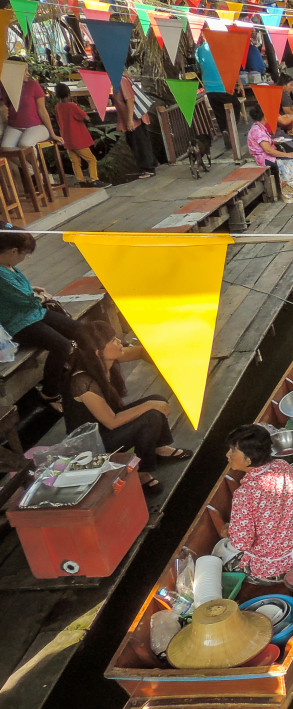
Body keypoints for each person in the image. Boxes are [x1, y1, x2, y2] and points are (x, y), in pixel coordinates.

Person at [62, 320, 193, 496]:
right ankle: (140, 471)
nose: (119, 342)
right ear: (98, 352)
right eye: (113, 340)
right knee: (152, 414)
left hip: (107, 427)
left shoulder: (105, 358)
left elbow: (140, 351)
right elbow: (112, 422)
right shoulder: (83, 382)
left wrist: (174, 363)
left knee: (158, 399)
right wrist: (149, 405)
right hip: (96, 443)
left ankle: (159, 448)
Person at [224, 424, 293, 581]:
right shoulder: (283, 466)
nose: (228, 455)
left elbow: (241, 543)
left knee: (225, 563)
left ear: (248, 460)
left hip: (278, 568)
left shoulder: (244, 495)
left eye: (232, 451)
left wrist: (229, 531)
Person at [0, 226, 80, 411]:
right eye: (24, 254)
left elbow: (23, 294)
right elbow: (27, 301)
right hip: (18, 323)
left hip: (31, 314)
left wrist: (33, 291)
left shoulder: (8, 265)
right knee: (61, 345)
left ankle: (81, 368)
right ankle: (49, 392)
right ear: (13, 251)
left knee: (76, 328)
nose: (24, 258)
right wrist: (42, 297)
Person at [246, 105, 293, 200]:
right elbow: (268, 150)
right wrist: (287, 155)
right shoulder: (258, 131)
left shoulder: (258, 126)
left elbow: (265, 144)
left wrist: (274, 142)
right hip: (264, 158)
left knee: (292, 156)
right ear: (265, 116)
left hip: (267, 155)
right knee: (291, 159)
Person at [54, 83, 109, 188]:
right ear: (68, 94)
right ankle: (94, 179)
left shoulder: (57, 107)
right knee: (91, 159)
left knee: (75, 162)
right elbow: (85, 117)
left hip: (67, 139)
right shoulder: (72, 106)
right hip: (78, 139)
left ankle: (81, 181)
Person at [0, 63, 63, 150]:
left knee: (25, 144)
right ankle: (28, 164)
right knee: (5, 148)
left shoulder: (33, 85)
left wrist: (53, 134)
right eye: (25, 70)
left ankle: (33, 163)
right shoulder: (5, 86)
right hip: (14, 126)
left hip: (36, 126)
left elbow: (42, 110)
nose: (28, 73)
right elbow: (6, 105)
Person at [110, 69, 157, 179]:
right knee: (138, 141)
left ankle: (148, 168)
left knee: (139, 143)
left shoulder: (121, 80)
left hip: (134, 118)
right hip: (132, 118)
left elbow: (130, 99)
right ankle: (150, 164)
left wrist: (130, 119)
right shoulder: (122, 78)